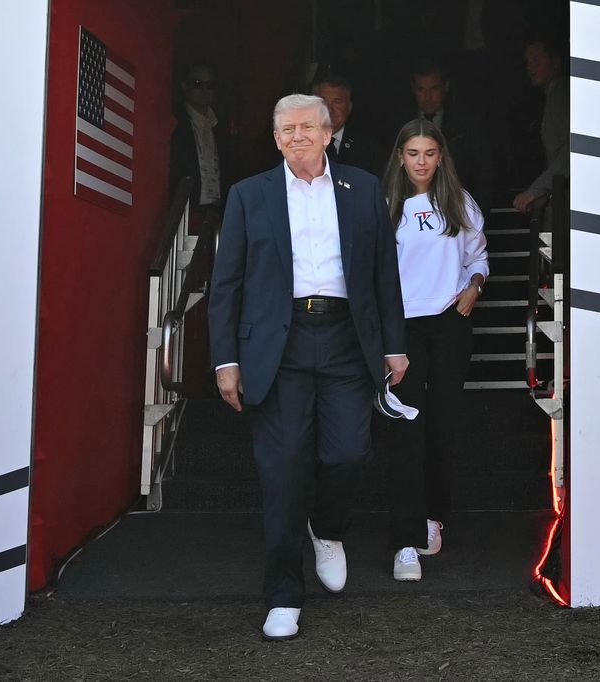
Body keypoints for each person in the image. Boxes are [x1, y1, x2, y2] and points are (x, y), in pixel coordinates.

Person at [208, 94, 409, 640]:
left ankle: (327, 525)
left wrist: (394, 344)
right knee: (282, 470)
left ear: (327, 133)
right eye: (286, 129)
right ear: (276, 139)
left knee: (349, 453)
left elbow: (384, 273)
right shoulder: (249, 195)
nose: (296, 135)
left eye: (306, 127)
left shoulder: (363, 188)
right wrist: (226, 359)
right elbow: (226, 283)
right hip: (279, 345)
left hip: (346, 338)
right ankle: (282, 596)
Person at [380, 119, 488, 581]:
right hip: (402, 327)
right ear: (400, 157)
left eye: (429, 153)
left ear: (441, 156)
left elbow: (478, 256)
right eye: (412, 153)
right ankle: (404, 540)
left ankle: (433, 516)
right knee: (406, 426)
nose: (421, 162)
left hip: (448, 322)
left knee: (442, 422)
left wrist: (475, 285)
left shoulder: (459, 203)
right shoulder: (385, 205)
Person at [398, 59, 493, 213]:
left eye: (434, 89)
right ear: (413, 89)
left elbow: (483, 173)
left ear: (445, 86)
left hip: (459, 211)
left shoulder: (467, 125)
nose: (428, 97)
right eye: (421, 89)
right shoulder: (401, 125)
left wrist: (475, 213)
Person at [512, 40, 569, 213]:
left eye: (536, 60)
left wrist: (536, 190)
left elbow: (572, 150)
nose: (531, 67)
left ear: (555, 61)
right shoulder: (552, 94)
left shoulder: (561, 94)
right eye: (528, 62)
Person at [170, 63, 227, 212]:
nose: (204, 91)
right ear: (185, 86)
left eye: (210, 85)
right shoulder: (175, 122)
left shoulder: (222, 127)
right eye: (198, 84)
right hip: (186, 210)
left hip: (217, 211)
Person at [311, 72, 386, 176]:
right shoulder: (295, 142)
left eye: (337, 102)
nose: (329, 110)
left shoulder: (369, 150)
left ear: (349, 107)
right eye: (323, 102)